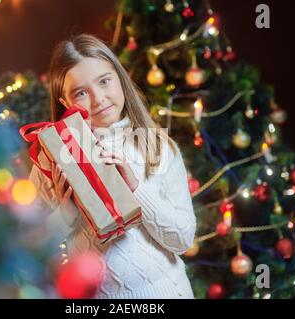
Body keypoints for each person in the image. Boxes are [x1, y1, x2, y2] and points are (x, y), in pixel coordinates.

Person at [29, 33, 197, 299]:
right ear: (65, 104)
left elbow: (183, 240)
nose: (98, 99)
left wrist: (137, 189)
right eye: (81, 93)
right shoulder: (49, 165)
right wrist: (65, 214)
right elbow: (31, 254)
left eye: (104, 81)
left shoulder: (154, 147)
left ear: (120, 79)